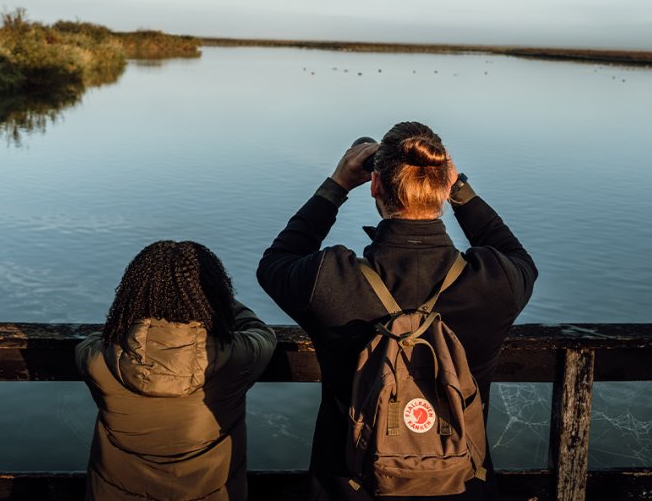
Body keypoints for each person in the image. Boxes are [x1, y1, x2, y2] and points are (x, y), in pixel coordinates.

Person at [257, 121, 538, 500]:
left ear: (374, 186)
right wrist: (461, 190)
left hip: (349, 486)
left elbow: (275, 262)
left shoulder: (329, 281)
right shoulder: (495, 282)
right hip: (462, 486)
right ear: (442, 185)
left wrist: (336, 185)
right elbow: (518, 257)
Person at [77, 240, 277, 501]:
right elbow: (263, 334)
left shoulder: (99, 359)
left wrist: (132, 313)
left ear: (134, 291)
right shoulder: (236, 357)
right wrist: (219, 301)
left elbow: (95, 339)